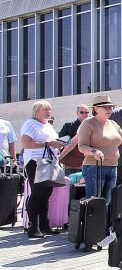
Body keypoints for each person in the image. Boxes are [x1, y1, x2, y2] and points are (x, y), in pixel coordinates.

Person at [77, 94, 122, 221]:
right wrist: (94, 151)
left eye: (111, 107)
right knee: (94, 202)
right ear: (96, 109)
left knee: (107, 202)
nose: (109, 110)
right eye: (106, 107)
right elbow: (81, 146)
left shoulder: (113, 124)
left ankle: (103, 232)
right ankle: (91, 234)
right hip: (94, 167)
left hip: (113, 167)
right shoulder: (88, 123)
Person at [20, 101, 66, 238]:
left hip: (48, 162)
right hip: (35, 162)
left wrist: (57, 145)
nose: (48, 112)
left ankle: (45, 225)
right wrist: (48, 143)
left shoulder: (48, 125)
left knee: (46, 193)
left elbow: (51, 142)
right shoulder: (30, 124)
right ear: (36, 111)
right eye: (45, 109)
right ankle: (33, 226)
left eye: (50, 109)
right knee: (37, 193)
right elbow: (25, 143)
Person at [58, 104, 91, 175]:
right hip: (71, 163)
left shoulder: (91, 125)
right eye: (82, 112)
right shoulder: (69, 125)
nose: (84, 114)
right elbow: (59, 141)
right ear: (77, 113)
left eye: (86, 112)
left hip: (88, 162)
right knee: (71, 184)